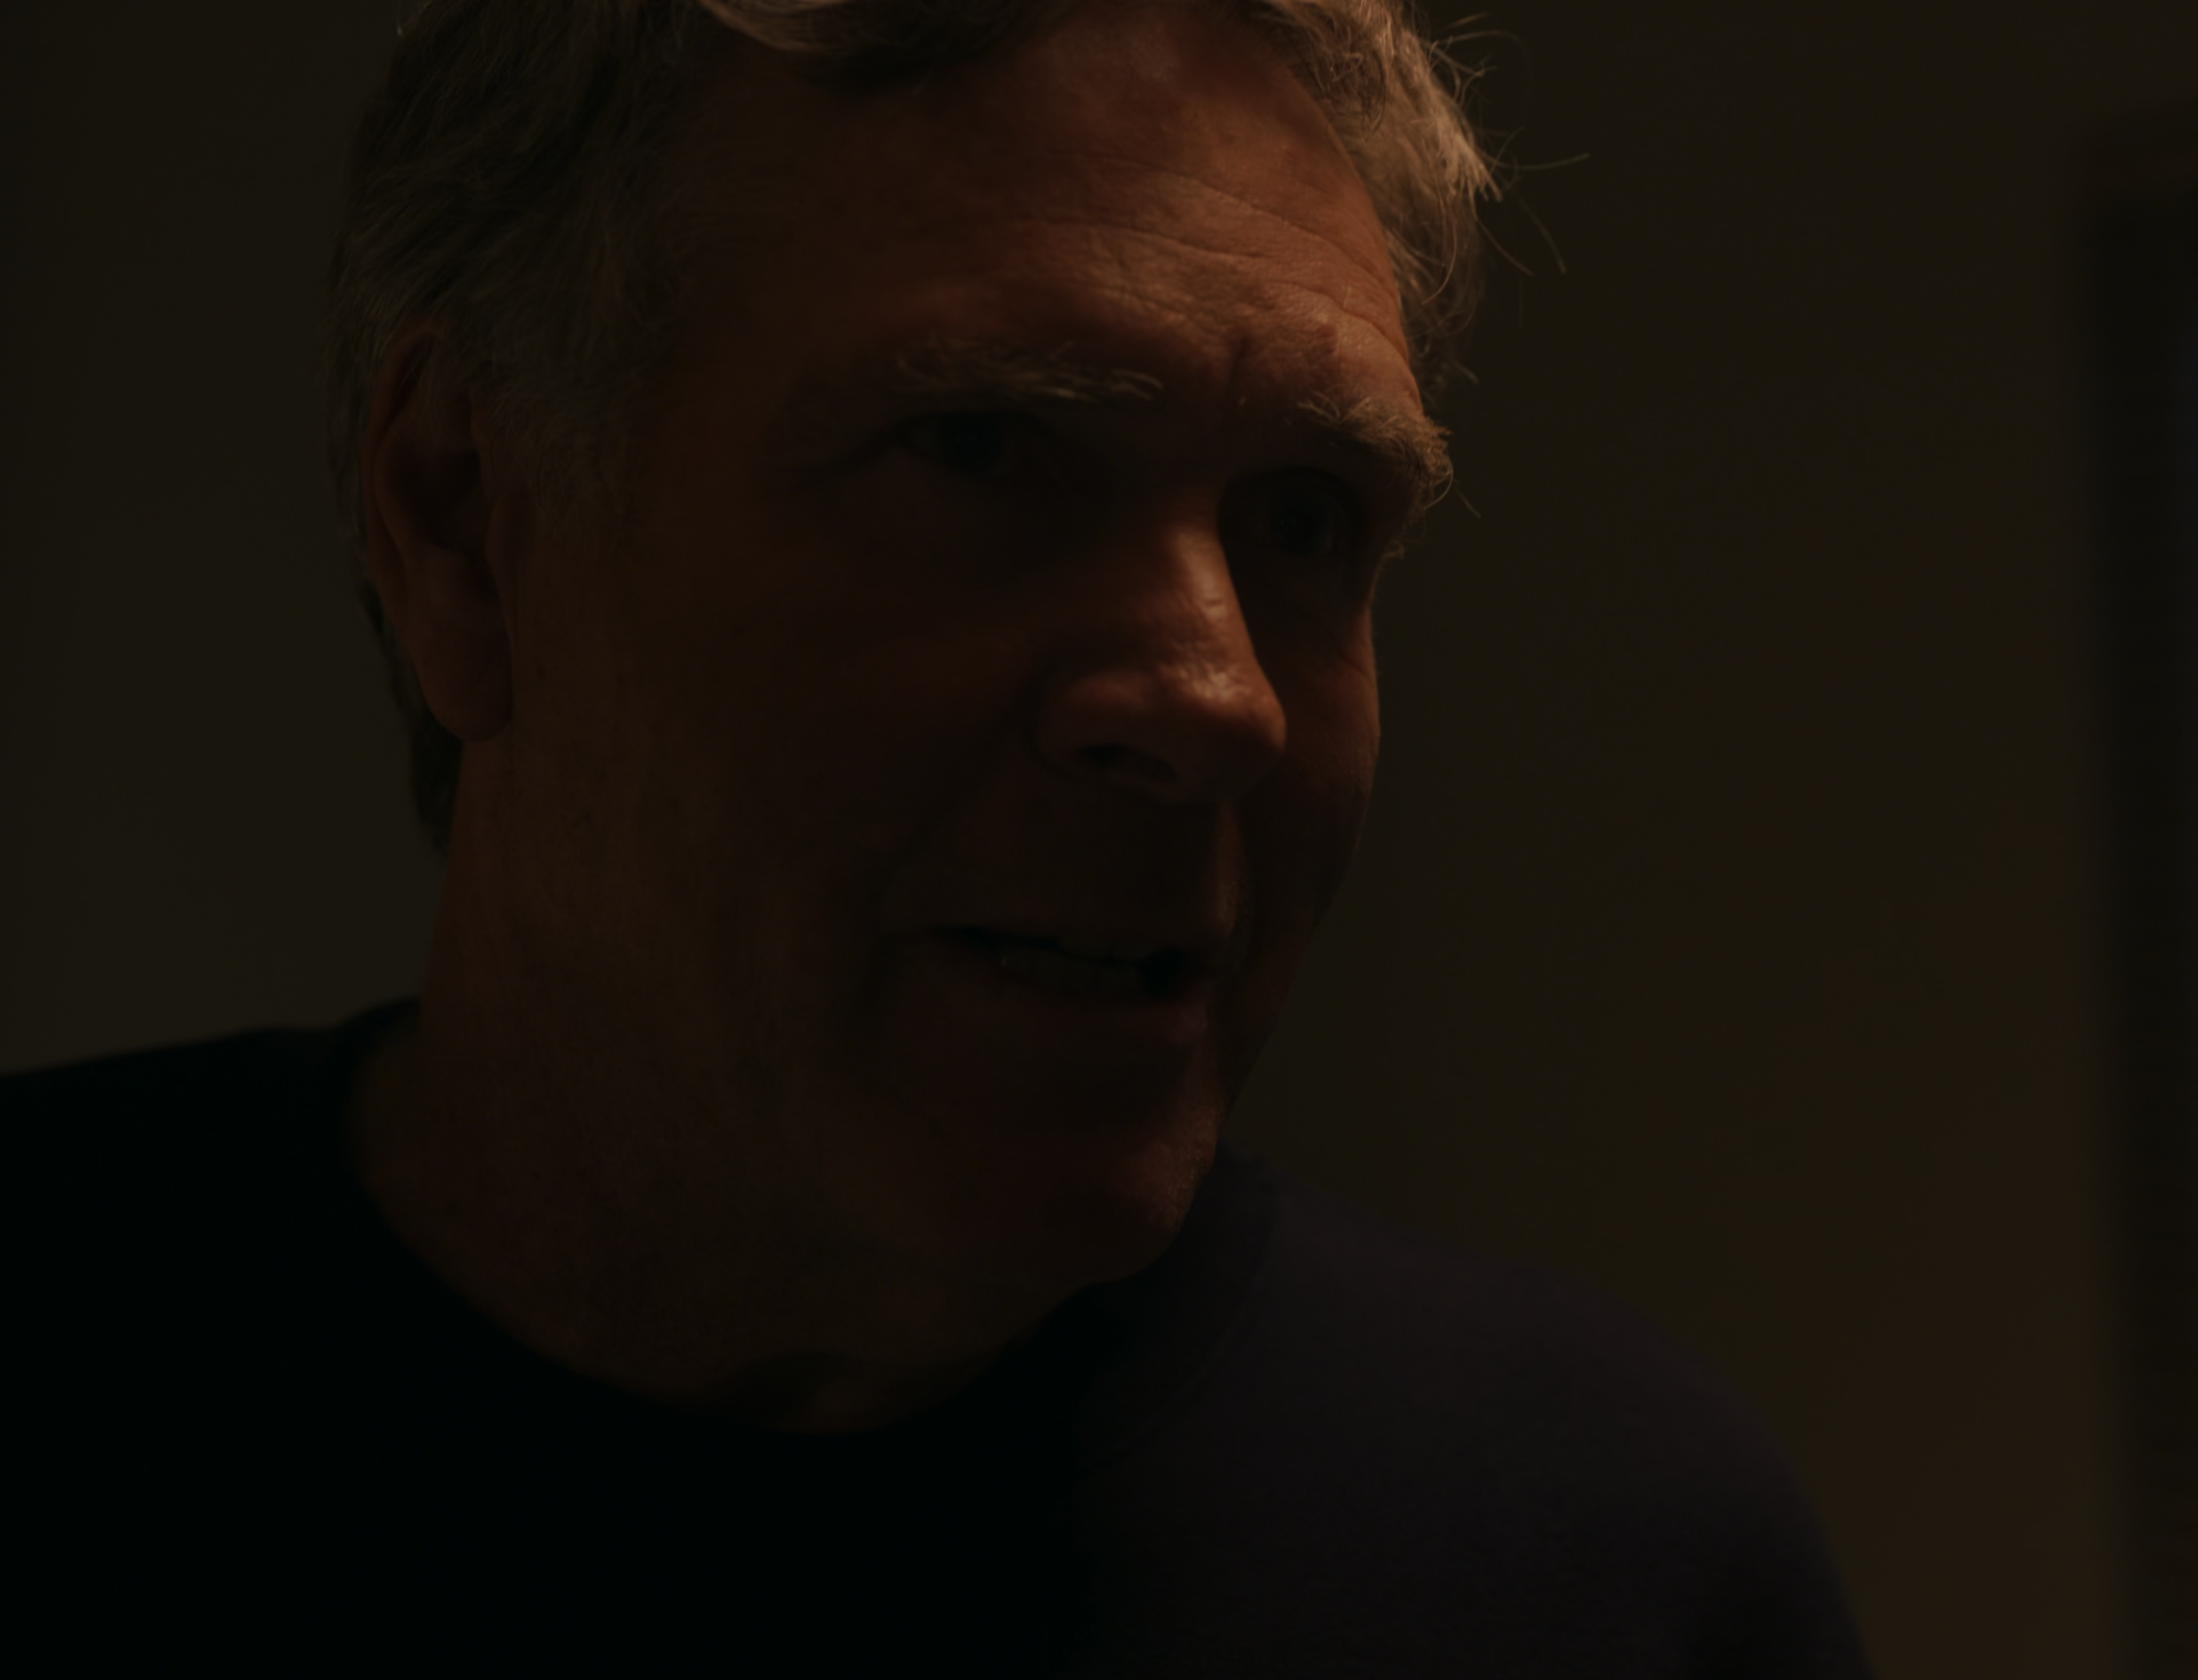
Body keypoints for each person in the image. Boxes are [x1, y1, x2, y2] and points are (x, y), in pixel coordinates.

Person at [9, 1, 1872, 1670]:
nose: (1219, 696)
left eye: (1307, 520)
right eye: (982, 448)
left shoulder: (1604, 1568)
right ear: (461, 521)